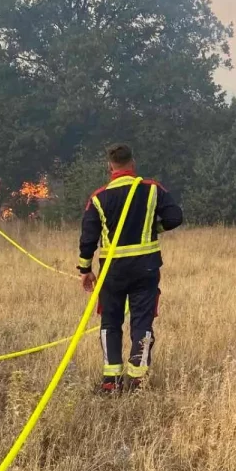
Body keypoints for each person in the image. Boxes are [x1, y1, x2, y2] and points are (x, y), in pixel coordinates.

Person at [78, 144, 183, 394]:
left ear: (109, 167)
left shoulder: (98, 198)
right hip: (145, 269)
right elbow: (175, 217)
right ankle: (138, 379)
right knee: (142, 322)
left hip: (111, 273)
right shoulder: (151, 190)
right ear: (132, 164)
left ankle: (110, 380)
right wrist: (152, 230)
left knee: (110, 322)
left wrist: (85, 269)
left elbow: (88, 238)